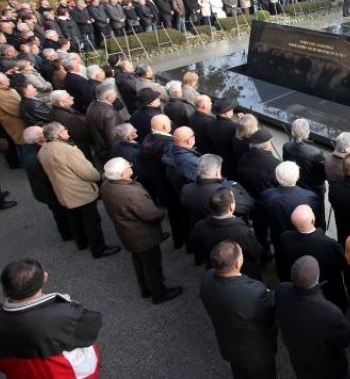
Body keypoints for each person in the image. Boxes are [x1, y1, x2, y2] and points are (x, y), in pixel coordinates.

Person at [0, 258, 103, 378]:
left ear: (4, 291)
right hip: (63, 373)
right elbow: (92, 328)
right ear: (45, 277)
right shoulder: (64, 314)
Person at [99, 157, 183, 304]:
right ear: (122, 174)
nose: (131, 167)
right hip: (142, 235)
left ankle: (145, 289)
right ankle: (159, 293)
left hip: (128, 234)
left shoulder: (106, 186)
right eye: (128, 166)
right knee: (152, 265)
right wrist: (162, 213)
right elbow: (150, 214)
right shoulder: (130, 193)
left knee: (139, 262)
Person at [38, 122, 120, 259]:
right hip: (80, 192)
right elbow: (87, 173)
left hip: (63, 192)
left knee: (74, 219)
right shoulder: (68, 150)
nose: (67, 131)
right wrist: (98, 176)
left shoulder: (43, 150)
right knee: (92, 221)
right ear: (57, 135)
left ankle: (82, 243)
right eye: (64, 130)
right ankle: (98, 249)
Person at [200, 241, 278, 379]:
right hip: (256, 353)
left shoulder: (207, 278)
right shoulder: (254, 292)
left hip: (229, 345)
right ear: (237, 263)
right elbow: (270, 313)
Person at [275, 256, 350, 379]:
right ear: (317, 277)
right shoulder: (329, 311)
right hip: (329, 369)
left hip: (298, 360)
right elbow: (344, 339)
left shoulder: (281, 290)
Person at [278, 204, 349, 313]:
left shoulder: (285, 239)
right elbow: (343, 263)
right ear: (313, 220)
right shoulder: (329, 244)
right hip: (329, 291)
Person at [189, 188, 263, 279]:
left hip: (215, 270)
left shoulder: (199, 226)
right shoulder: (241, 231)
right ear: (231, 207)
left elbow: (195, 247)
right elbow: (257, 251)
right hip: (243, 274)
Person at [19, 126, 71, 239]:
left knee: (59, 212)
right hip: (49, 192)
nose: (46, 133)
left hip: (43, 191)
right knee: (60, 213)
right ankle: (67, 234)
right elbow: (46, 177)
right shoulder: (35, 159)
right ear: (37, 140)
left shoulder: (29, 148)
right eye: (42, 133)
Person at [282, 118, 326, 197]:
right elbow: (323, 174)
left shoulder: (286, 146)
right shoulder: (316, 152)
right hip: (312, 190)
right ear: (307, 131)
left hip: (294, 185)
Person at [85, 82, 122, 163]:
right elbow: (112, 136)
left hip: (100, 147)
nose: (116, 93)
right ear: (109, 97)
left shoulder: (92, 105)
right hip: (110, 151)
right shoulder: (109, 112)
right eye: (114, 92)